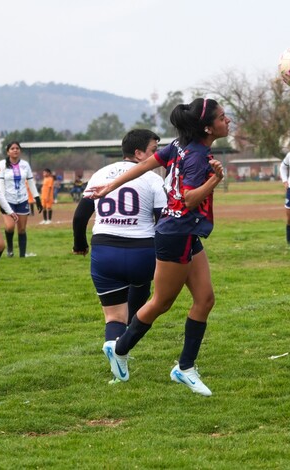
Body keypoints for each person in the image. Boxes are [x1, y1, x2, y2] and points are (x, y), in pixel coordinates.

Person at [87, 98, 229, 397]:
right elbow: (190, 199)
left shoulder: (179, 145)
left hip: (187, 232)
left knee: (205, 300)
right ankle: (120, 348)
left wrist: (110, 187)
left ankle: (185, 368)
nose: (227, 121)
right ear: (207, 127)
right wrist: (216, 179)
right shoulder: (196, 156)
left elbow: (143, 166)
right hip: (174, 235)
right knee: (160, 303)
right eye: (222, 117)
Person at [73, 130, 166, 382]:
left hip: (104, 250)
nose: (157, 155)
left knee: (113, 316)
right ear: (138, 153)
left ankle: (117, 360)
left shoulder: (101, 174)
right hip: (142, 250)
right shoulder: (151, 177)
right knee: (141, 295)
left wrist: (80, 244)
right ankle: (123, 346)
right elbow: (162, 219)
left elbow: (81, 214)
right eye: (153, 149)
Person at [0, 141, 42, 257]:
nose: (15, 150)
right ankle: (10, 250)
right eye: (12, 148)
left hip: (22, 200)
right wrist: (2, 202)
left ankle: (22, 255)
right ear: (8, 151)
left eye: (17, 148)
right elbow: (0, 183)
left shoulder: (25, 165)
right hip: (7, 201)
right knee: (10, 226)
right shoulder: (2, 164)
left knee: (21, 229)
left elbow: (31, 182)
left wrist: (37, 198)